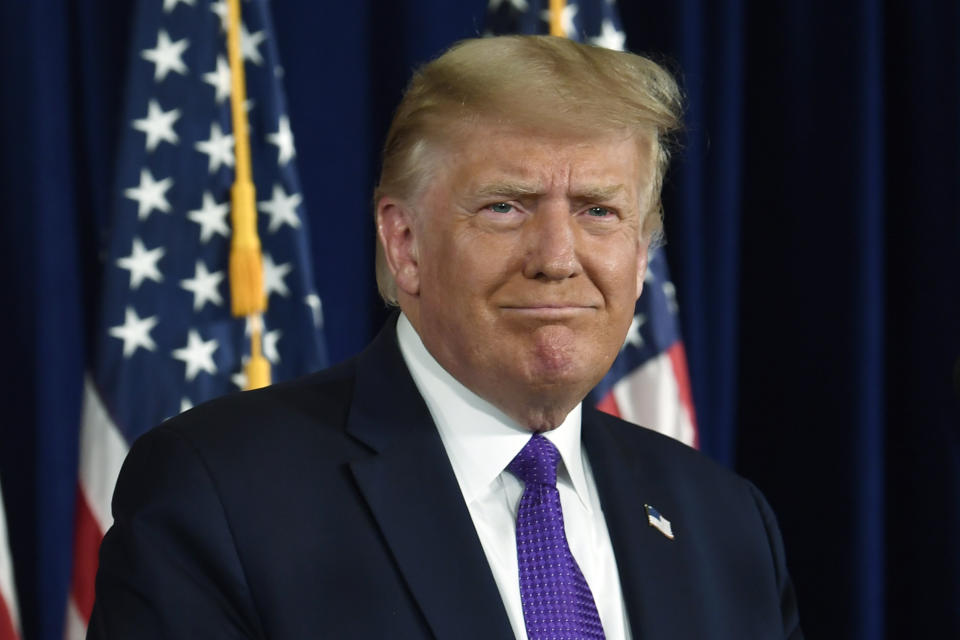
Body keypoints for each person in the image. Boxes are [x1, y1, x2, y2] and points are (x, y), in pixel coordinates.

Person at [88, 35, 802, 639]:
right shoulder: (221, 496)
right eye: (505, 206)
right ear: (404, 244)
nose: (557, 257)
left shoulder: (727, 524)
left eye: (599, 211)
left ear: (642, 257)